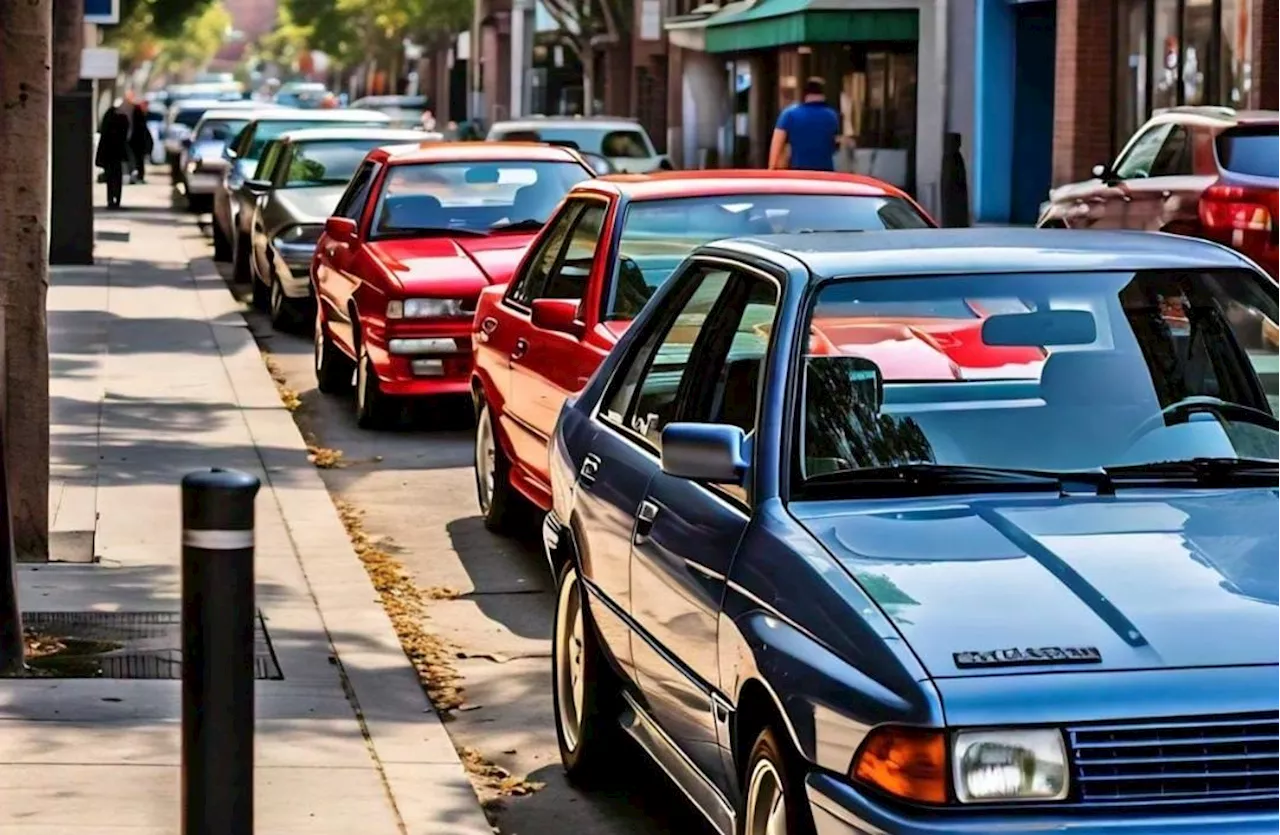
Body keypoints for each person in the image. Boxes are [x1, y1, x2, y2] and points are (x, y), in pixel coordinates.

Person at [768, 77, 839, 171]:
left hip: (799, 174)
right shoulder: (832, 116)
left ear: (804, 94)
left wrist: (771, 169)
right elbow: (835, 145)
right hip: (825, 174)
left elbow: (777, 144)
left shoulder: (789, 114)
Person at [96, 100, 132, 208]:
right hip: (117, 154)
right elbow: (125, 137)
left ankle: (111, 199)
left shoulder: (108, 121)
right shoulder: (122, 120)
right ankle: (116, 199)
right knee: (117, 178)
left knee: (110, 179)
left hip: (109, 155)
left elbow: (103, 138)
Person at [129, 100, 155, 183]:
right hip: (138, 144)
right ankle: (138, 176)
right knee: (138, 161)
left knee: (138, 161)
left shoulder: (137, 119)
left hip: (136, 144)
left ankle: (137, 176)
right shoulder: (139, 119)